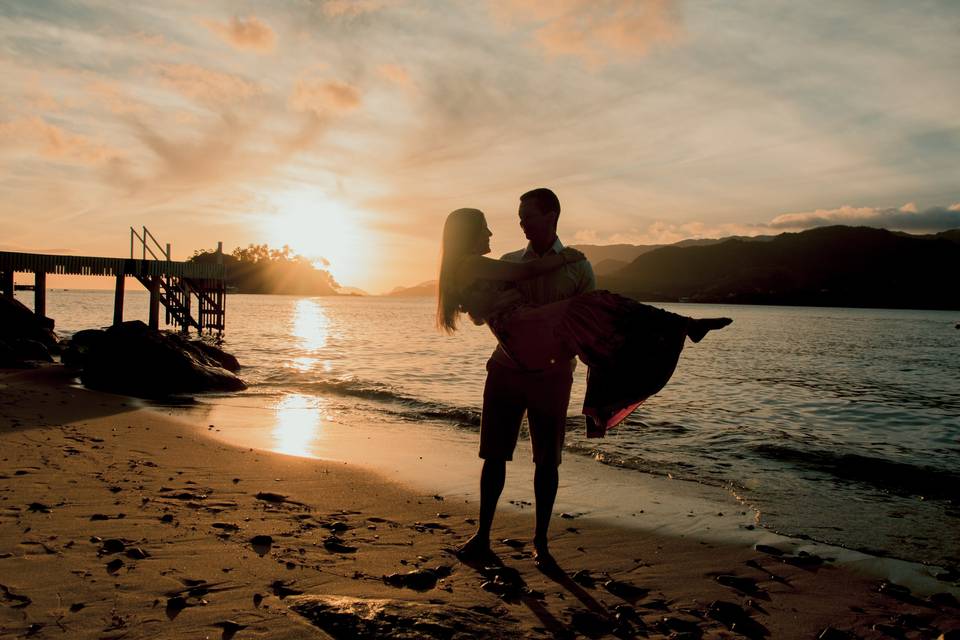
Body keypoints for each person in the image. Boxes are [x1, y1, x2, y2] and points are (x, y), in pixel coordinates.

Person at [437, 196, 731, 569]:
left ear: (551, 216)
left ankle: (541, 544)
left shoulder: (579, 269)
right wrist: (563, 259)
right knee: (494, 455)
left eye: (528, 217)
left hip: (552, 371)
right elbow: (497, 302)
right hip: (508, 367)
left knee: (548, 459)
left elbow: (593, 331)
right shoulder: (508, 263)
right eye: (519, 218)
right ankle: (482, 537)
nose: (521, 224)